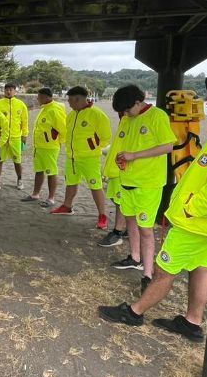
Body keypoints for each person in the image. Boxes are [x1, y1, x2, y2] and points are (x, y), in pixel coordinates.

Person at [97, 67, 207, 342]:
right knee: (200, 269)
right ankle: (192, 322)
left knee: (164, 270)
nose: (206, 103)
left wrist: (189, 208)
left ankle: (134, 312)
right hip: (200, 222)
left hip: (194, 222)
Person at [110, 85, 176, 293]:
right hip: (127, 179)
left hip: (148, 184)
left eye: (128, 110)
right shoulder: (128, 118)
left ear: (139, 103)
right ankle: (134, 258)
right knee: (130, 220)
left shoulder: (157, 116)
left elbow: (168, 146)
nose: (126, 114)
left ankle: (147, 274)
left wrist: (135, 156)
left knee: (146, 229)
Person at [51, 86, 112, 230]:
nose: (69, 103)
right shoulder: (71, 115)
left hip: (89, 159)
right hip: (71, 157)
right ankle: (67, 206)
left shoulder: (97, 114)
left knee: (95, 186)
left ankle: (102, 215)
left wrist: (91, 146)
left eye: (70, 100)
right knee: (71, 183)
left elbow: (105, 138)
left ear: (78, 99)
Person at [21, 88, 66, 207]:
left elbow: (63, 129)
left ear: (47, 97)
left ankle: (51, 198)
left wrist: (57, 142)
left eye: (39, 97)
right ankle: (35, 194)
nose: (37, 99)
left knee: (51, 172)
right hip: (39, 146)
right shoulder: (45, 108)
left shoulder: (54, 110)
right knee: (39, 170)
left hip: (50, 147)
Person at [97, 111, 129, 247]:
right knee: (118, 200)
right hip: (115, 171)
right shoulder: (125, 125)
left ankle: (118, 232)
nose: (121, 115)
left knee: (120, 202)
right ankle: (125, 228)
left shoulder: (132, 127)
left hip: (121, 172)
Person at [0, 83, 29, 190]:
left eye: (11, 89)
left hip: (16, 137)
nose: (9, 91)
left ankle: (19, 180)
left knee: (17, 160)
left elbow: (25, 121)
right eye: (7, 89)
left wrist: (24, 135)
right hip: (2, 138)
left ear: (15, 91)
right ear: (4, 91)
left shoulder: (21, 104)